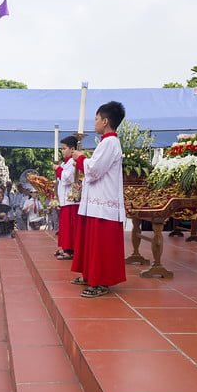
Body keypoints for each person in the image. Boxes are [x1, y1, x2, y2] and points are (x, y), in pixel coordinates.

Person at [70, 101, 127, 297]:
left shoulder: (110, 142)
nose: (93, 123)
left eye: (95, 119)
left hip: (103, 203)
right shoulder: (106, 142)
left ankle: (100, 281)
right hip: (96, 201)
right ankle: (89, 275)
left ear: (105, 121)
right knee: (92, 243)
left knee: (100, 245)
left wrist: (80, 157)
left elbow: (94, 171)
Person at [54, 135, 80, 260]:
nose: (62, 151)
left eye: (64, 148)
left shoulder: (72, 162)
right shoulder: (66, 162)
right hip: (65, 199)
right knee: (64, 226)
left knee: (70, 226)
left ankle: (70, 250)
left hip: (71, 199)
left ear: (72, 149)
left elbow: (67, 178)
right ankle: (65, 246)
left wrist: (58, 169)